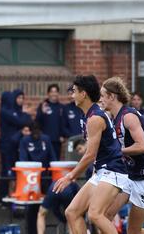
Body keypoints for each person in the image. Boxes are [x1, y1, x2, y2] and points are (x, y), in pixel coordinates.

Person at [53, 75, 128, 234]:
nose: (71, 95)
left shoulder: (95, 118)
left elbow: (90, 154)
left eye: (74, 91)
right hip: (103, 170)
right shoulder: (87, 116)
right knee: (71, 212)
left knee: (95, 214)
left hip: (114, 170)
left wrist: (70, 176)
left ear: (83, 93)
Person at [101, 77, 144, 234]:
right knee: (104, 216)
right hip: (130, 176)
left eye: (103, 96)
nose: (101, 100)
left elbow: (142, 146)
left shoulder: (128, 116)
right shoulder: (115, 117)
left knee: (133, 231)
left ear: (112, 96)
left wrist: (117, 151)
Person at [0, 89, 33, 200]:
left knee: (16, 171)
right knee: (6, 172)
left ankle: (15, 195)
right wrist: (25, 113)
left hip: (16, 145)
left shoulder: (15, 111)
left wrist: (25, 114)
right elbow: (20, 122)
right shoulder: (4, 111)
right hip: (6, 146)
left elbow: (27, 123)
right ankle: (3, 196)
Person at [35, 84, 64, 158]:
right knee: (44, 161)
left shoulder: (61, 107)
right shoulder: (43, 105)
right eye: (52, 91)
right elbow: (37, 122)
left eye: (55, 91)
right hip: (44, 139)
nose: (54, 94)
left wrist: (62, 135)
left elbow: (63, 123)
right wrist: (42, 113)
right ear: (48, 93)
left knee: (55, 161)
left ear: (58, 93)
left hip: (57, 140)